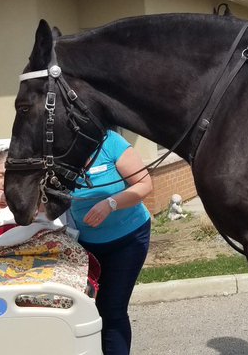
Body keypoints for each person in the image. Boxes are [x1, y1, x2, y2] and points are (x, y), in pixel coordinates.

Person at [66, 130, 153, 355]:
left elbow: (144, 185)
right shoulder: (60, 151)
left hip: (128, 239)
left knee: (112, 309)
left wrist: (110, 203)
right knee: (87, 309)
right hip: (85, 245)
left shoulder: (110, 142)